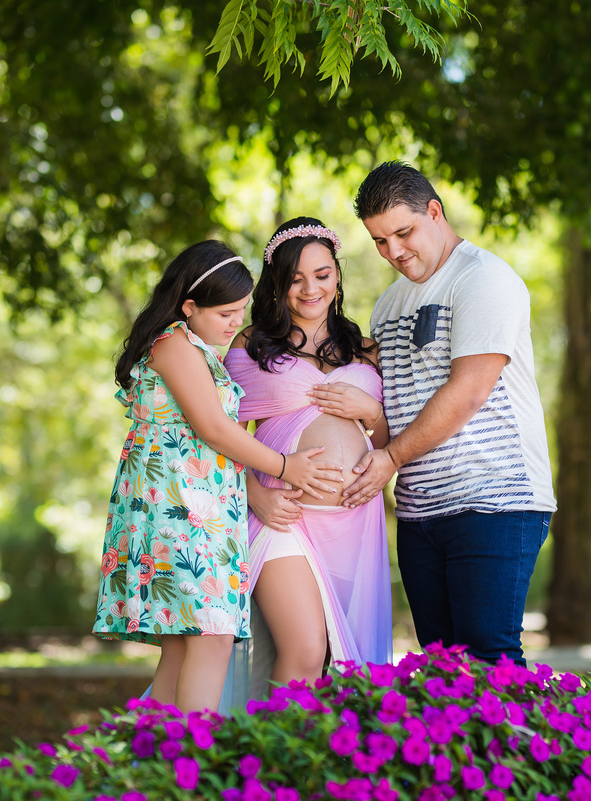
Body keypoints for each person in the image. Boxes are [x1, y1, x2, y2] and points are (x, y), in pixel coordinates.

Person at [92, 240, 343, 713]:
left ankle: (149, 766)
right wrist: (287, 467)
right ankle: (193, 767)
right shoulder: (175, 344)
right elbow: (213, 427)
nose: (235, 323)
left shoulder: (198, 350)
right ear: (189, 306)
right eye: (225, 312)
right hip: (176, 510)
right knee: (211, 637)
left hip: (201, 510)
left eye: (240, 311)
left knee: (187, 646)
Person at [342, 162, 556, 667]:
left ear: (434, 212)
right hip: (419, 512)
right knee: (441, 669)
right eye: (379, 241)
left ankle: (522, 751)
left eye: (403, 232)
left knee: (489, 657)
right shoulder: (388, 305)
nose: (394, 251)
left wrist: (390, 458)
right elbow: (393, 403)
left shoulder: (484, 279)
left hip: (495, 499)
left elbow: (469, 391)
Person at [224, 217, 393, 702]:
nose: (310, 288)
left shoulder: (363, 348)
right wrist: (255, 496)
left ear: (336, 275)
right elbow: (224, 440)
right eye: (295, 278)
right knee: (303, 651)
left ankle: (324, 771)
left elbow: (386, 442)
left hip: (355, 524)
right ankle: (274, 775)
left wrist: (371, 410)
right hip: (284, 517)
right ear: (278, 283)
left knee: (341, 667)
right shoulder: (251, 345)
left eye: (321, 274)